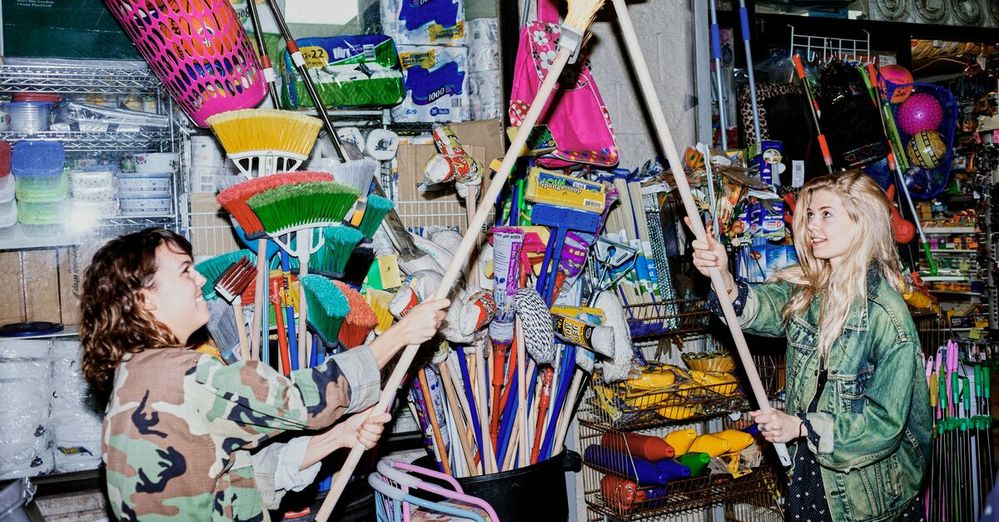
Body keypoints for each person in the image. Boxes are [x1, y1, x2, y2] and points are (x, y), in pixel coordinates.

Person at [80, 228, 450, 521]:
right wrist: (401, 334)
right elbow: (306, 400)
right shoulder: (184, 377)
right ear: (144, 298)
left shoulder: (133, 375)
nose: (199, 280)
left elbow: (229, 483)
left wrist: (339, 436)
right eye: (184, 271)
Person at [689, 171, 931, 521]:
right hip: (812, 472)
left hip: (865, 494)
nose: (812, 226)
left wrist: (802, 426)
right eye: (811, 215)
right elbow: (764, 307)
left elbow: (885, 425)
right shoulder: (812, 290)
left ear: (860, 221)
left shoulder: (887, 316)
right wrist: (723, 277)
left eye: (826, 214)